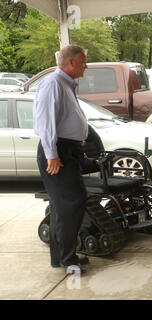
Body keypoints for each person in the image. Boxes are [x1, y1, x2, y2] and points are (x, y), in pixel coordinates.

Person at [33, 45, 89, 274]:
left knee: (62, 206)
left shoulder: (65, 84)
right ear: (71, 62)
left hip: (67, 149)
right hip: (58, 151)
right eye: (83, 61)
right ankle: (67, 258)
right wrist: (52, 155)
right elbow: (46, 123)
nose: (86, 65)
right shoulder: (53, 83)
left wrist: (77, 147)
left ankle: (60, 257)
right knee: (72, 203)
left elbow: (66, 120)